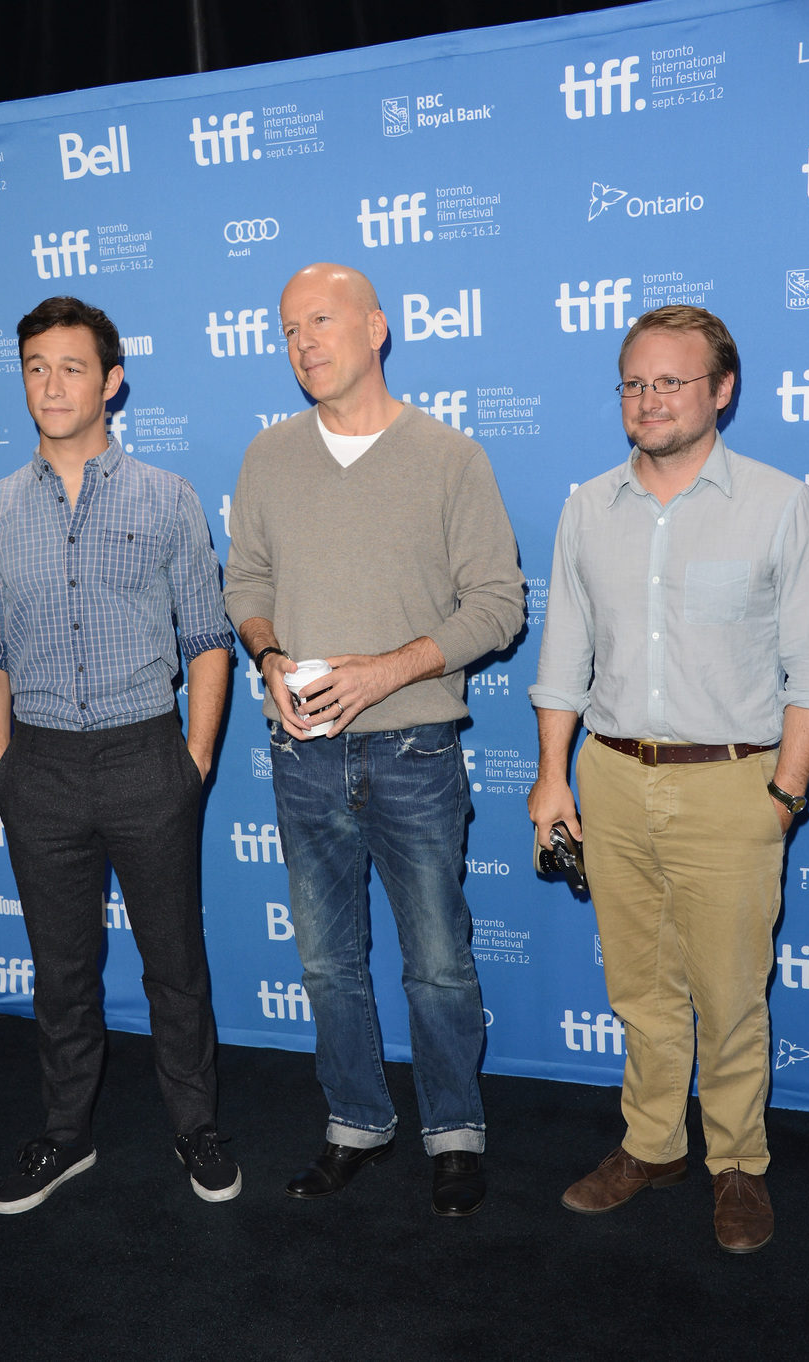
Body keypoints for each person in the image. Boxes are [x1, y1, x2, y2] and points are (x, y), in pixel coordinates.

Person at [528, 305, 809, 1253]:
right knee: (640, 985)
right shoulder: (588, 506)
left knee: (730, 989)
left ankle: (737, 1162)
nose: (650, 398)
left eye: (671, 381)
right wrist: (554, 779)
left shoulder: (782, 506)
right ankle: (652, 1142)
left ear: (722, 390)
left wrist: (784, 797)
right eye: (634, 382)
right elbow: (564, 661)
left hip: (733, 786)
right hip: (613, 779)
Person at [224, 263, 524, 1216]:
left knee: (437, 959)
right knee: (325, 960)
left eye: (320, 320)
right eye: (287, 329)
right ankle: (355, 1120)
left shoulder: (450, 458)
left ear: (377, 328)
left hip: (415, 749)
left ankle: (454, 1130)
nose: (303, 342)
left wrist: (386, 670)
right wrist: (267, 657)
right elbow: (248, 586)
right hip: (300, 749)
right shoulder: (268, 456)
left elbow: (499, 608)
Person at [0, 296, 240, 1213]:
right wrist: (3, 766)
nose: (51, 383)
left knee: (174, 963)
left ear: (112, 382)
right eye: (36, 366)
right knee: (61, 971)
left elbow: (206, 637)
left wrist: (193, 758)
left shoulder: (169, 498)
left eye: (71, 366)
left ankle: (195, 1126)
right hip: (36, 765)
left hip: (146, 758)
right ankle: (65, 1135)